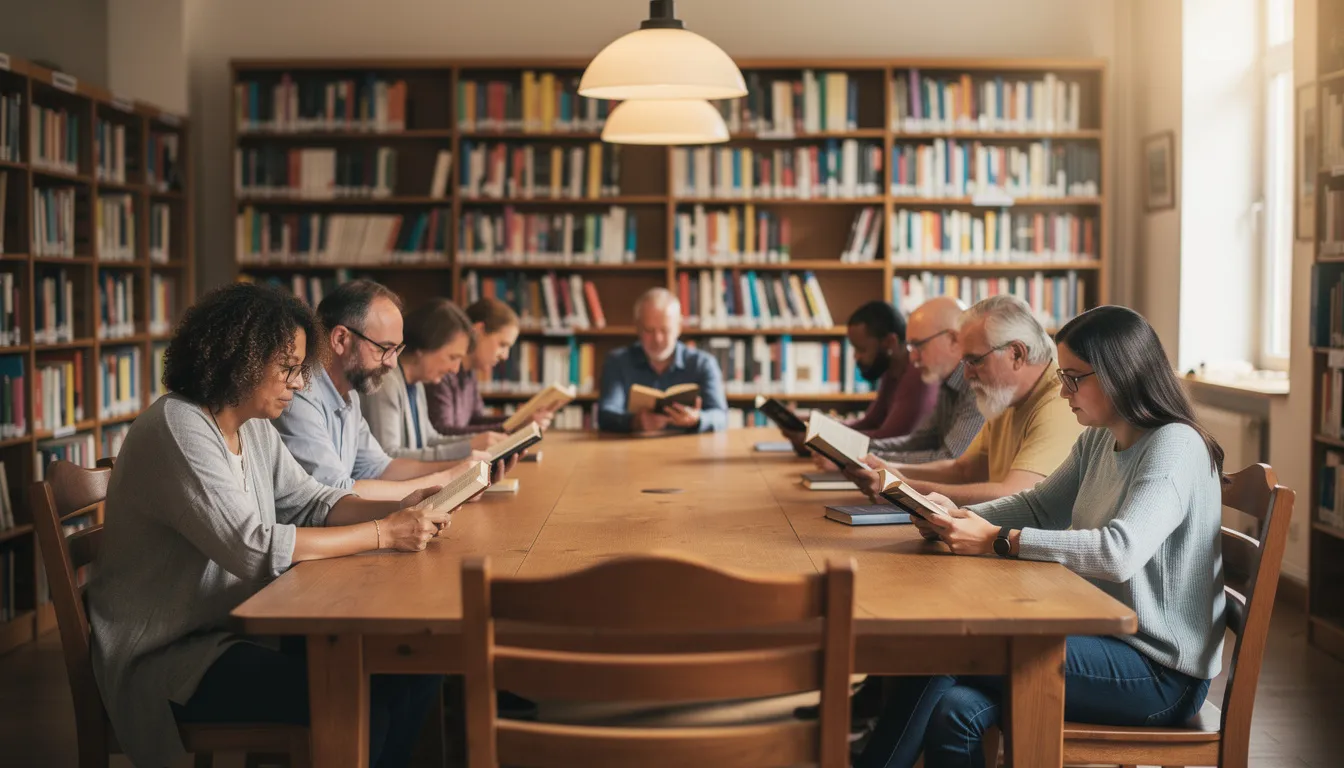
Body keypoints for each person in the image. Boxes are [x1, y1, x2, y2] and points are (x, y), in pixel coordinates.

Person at [88, 284, 458, 768]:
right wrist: (384, 534)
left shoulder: (251, 425)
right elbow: (250, 546)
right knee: (360, 703)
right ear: (239, 360)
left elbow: (310, 501)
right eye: (288, 368)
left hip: (232, 626)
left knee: (416, 669)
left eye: (301, 369)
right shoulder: (179, 426)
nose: (301, 383)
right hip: (171, 654)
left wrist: (400, 507)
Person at [854, 305, 1226, 768]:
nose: (1063, 390)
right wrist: (956, 516)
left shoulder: (1175, 444)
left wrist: (996, 540)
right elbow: (1038, 505)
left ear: (1118, 373)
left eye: (1073, 378)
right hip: (1099, 633)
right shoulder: (1099, 436)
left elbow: (1118, 553)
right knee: (955, 712)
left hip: (1158, 671)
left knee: (947, 647)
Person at [273, 279, 515, 501]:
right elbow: (338, 493)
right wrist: (448, 480)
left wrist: (460, 470)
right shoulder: (299, 393)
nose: (391, 363)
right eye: (383, 348)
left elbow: (381, 468)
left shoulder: (351, 393)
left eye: (396, 350)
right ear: (340, 339)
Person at [842, 295, 1082, 507]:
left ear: (1016, 354)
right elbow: (963, 469)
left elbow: (1014, 494)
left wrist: (904, 486)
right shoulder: (1005, 396)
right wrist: (892, 470)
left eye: (974, 361)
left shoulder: (1059, 402)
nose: (966, 374)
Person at [801, 297, 982, 464]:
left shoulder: (977, 386)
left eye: (919, 345)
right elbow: (919, 440)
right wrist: (848, 449)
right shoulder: (946, 382)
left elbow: (949, 460)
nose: (913, 358)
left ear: (952, 339)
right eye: (911, 347)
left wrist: (858, 457)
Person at [362, 298, 510, 457]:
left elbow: (430, 440)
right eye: (453, 357)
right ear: (424, 348)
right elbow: (389, 457)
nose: (455, 369)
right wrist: (468, 448)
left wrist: (479, 441)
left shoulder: (417, 382)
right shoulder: (386, 382)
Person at [597, 287, 728, 433]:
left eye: (665, 330)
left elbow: (720, 416)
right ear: (638, 327)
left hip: (689, 450)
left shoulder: (703, 363)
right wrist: (634, 422)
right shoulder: (617, 362)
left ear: (678, 327)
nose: (657, 339)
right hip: (633, 450)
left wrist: (697, 418)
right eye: (649, 330)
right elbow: (605, 415)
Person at [426, 297, 554, 436]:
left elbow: (474, 420)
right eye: (502, 345)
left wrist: (521, 419)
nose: (505, 356)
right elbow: (443, 433)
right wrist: (515, 427)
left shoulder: (469, 373)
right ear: (479, 330)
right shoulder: (442, 372)